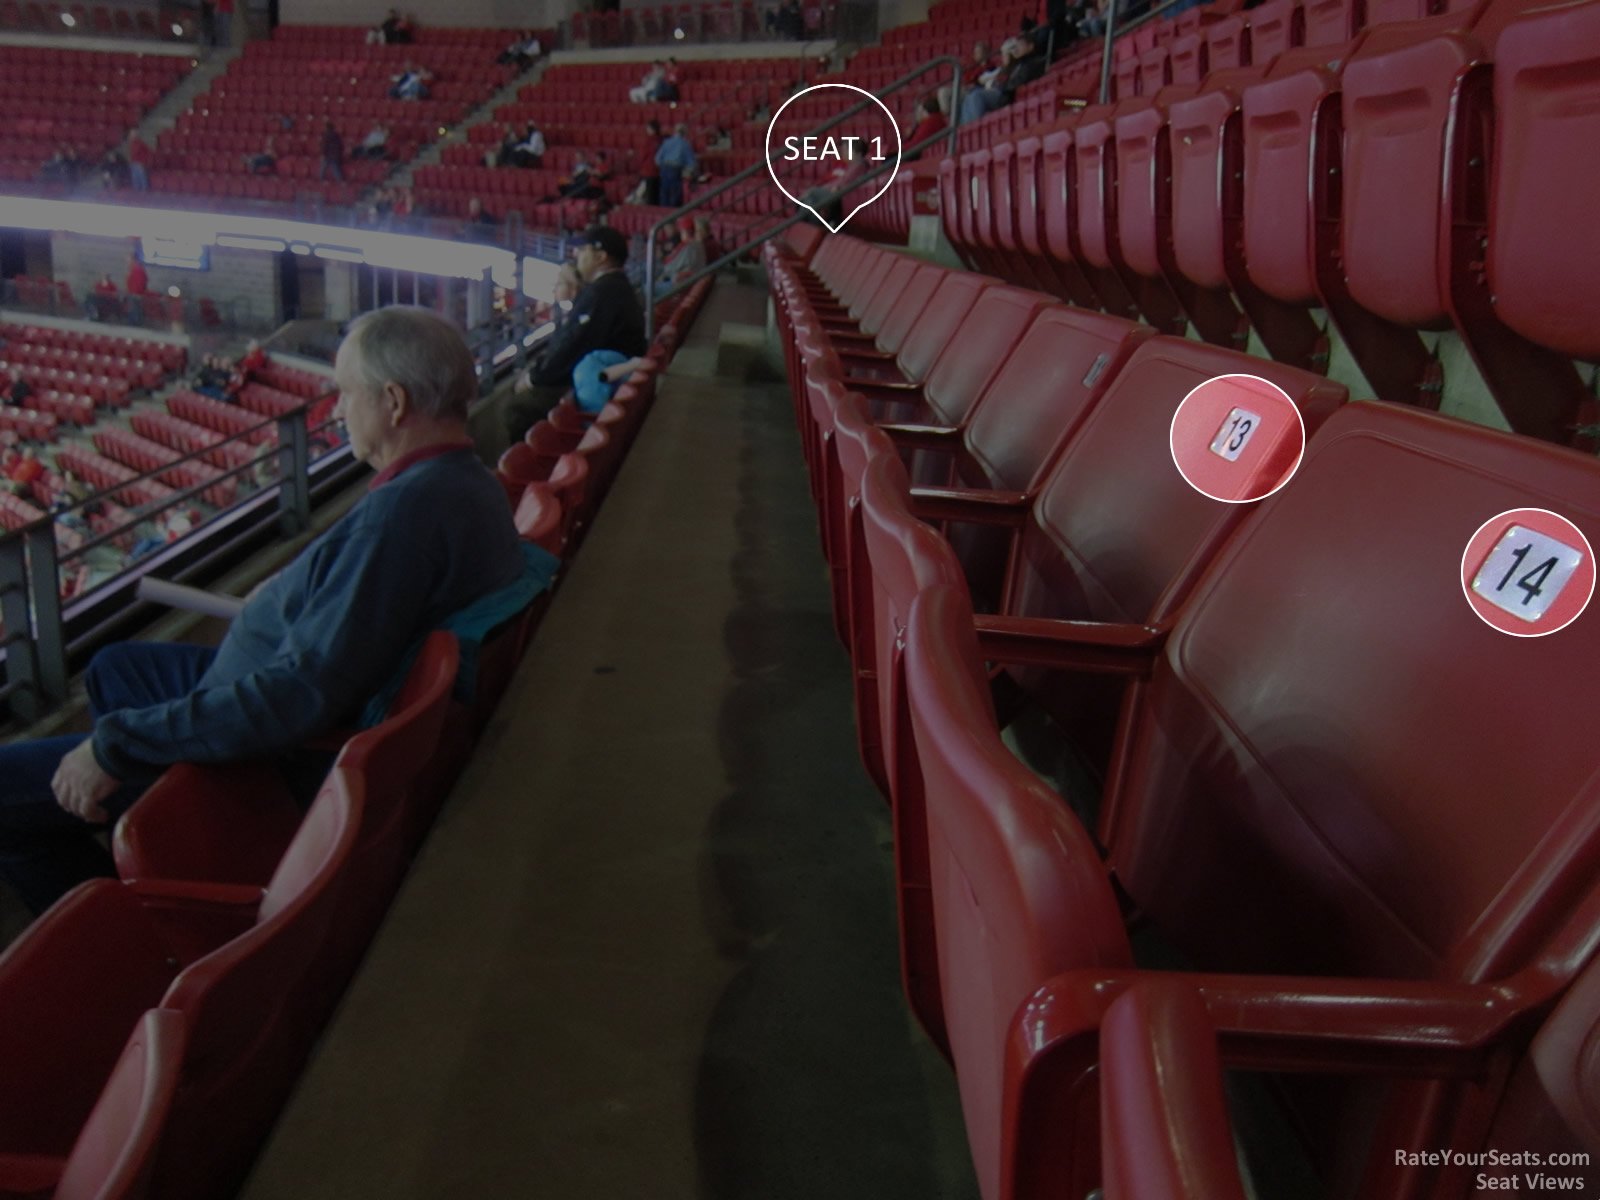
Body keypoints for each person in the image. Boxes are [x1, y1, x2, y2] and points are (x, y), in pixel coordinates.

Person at [0, 307, 534, 918]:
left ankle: (134, 909)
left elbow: (296, 698)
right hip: (284, 687)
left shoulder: (403, 519)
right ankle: (146, 823)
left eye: (344, 394)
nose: (336, 411)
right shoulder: (464, 480)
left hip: (277, 750)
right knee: (113, 668)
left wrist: (114, 746)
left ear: (392, 401)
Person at [506, 226, 646, 441]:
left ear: (600, 257)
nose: (576, 254)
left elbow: (574, 345)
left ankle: (540, 471)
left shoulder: (602, 293)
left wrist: (535, 377)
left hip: (600, 381)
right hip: (610, 375)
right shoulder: (616, 288)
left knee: (519, 407)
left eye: (583, 250)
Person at [654, 123, 697, 209]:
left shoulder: (667, 142)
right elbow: (691, 163)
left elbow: (657, 158)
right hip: (675, 169)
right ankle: (673, 213)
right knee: (675, 194)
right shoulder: (685, 144)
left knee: (664, 192)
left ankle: (664, 213)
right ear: (685, 133)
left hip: (664, 168)